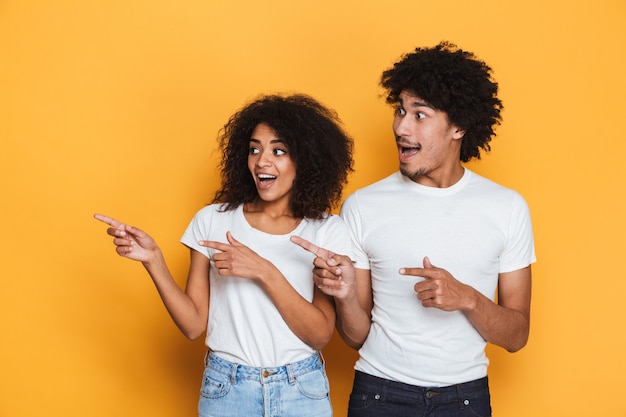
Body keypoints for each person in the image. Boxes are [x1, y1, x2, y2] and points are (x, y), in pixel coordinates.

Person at [291, 41, 536, 417]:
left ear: (458, 127)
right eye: (400, 110)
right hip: (379, 394)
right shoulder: (363, 206)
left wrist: (467, 297)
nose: (401, 127)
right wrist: (343, 296)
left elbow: (517, 335)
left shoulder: (506, 208)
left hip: (465, 399)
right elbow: (356, 337)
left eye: (420, 115)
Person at [95, 93, 354, 417]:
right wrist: (154, 260)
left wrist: (264, 271)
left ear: (305, 160)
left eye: (279, 150)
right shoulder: (213, 219)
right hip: (227, 389)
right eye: (254, 149)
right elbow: (193, 325)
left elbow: (319, 334)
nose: (262, 161)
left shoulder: (326, 230)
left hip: (300, 389)